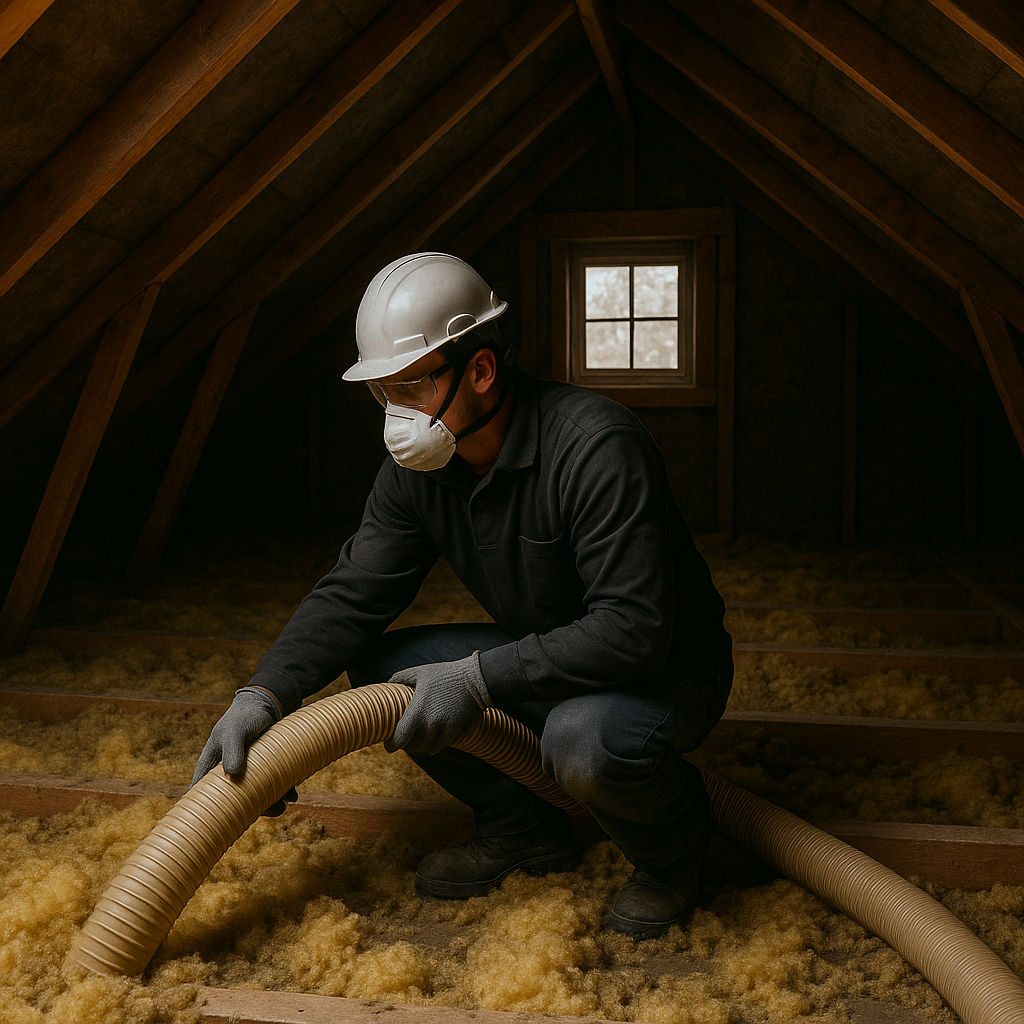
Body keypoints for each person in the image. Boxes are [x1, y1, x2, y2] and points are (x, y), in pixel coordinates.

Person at [192, 252, 733, 939]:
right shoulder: (419, 472)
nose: (394, 416)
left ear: (480, 370)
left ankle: (674, 855)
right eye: (381, 394)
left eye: (409, 389)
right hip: (550, 659)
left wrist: (477, 678)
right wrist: (264, 694)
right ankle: (523, 828)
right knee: (389, 672)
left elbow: (632, 630)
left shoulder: (597, 448)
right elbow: (353, 593)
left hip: (664, 668)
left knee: (585, 741)